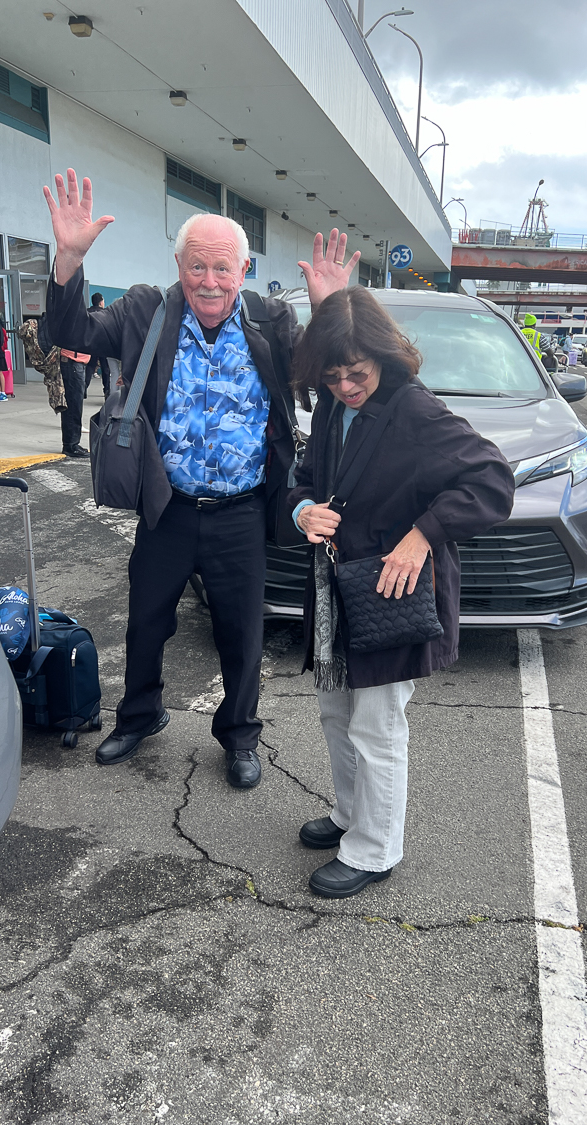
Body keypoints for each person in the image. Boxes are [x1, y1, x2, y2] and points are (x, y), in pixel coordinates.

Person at [43, 168, 357, 786]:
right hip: (170, 505)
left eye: (222, 269)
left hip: (241, 509)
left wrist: (329, 309)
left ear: (243, 271)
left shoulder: (270, 322)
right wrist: (68, 260)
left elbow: (330, 376)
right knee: (146, 620)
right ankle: (139, 716)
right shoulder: (144, 312)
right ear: (180, 265)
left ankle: (239, 735)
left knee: (242, 633)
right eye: (196, 267)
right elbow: (70, 333)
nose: (209, 282)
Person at [288, 288, 515, 898]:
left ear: (383, 356)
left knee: (378, 723)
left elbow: (494, 481)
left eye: (355, 373)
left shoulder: (415, 411)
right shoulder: (334, 408)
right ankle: (349, 815)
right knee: (336, 709)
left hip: (391, 591)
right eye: (332, 376)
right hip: (338, 588)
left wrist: (423, 534)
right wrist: (303, 511)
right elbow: (304, 480)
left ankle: (375, 848)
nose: (344, 386)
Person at [60, 343, 91, 452]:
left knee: (75, 404)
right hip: (72, 361)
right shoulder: (76, 326)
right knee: (74, 405)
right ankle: (70, 445)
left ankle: (72, 443)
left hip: (76, 362)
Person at [84, 292, 112, 397]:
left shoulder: (87, 312)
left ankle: (84, 388)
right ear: (101, 302)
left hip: (90, 343)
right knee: (105, 368)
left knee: (90, 366)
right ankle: (107, 390)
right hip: (104, 344)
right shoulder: (105, 313)